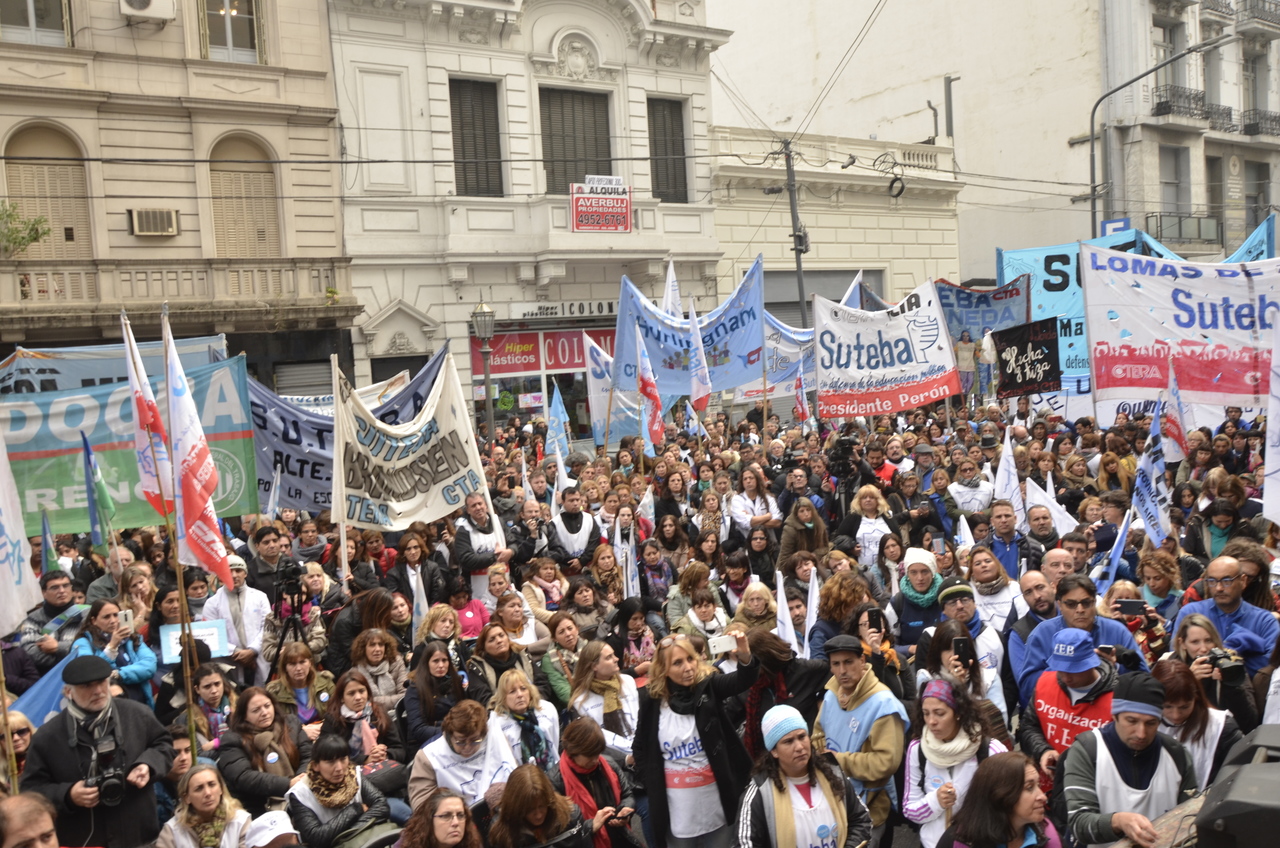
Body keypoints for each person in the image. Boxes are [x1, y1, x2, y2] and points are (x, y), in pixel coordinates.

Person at [22, 655, 175, 848]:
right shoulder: (47, 736)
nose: (97, 691)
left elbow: (164, 745)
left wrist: (148, 765)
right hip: (82, 840)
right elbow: (31, 791)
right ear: (68, 692)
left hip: (139, 836)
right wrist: (68, 795)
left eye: (102, 682)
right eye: (87, 686)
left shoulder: (137, 714)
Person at [633, 631, 758, 848]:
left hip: (716, 803)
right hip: (676, 810)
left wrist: (745, 655)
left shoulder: (709, 686)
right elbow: (640, 748)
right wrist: (652, 783)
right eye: (677, 663)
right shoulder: (651, 700)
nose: (688, 667)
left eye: (690, 659)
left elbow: (743, 680)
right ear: (664, 669)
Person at [1062, 672, 1197, 848]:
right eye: (1132, 721)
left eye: (1151, 723)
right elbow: (1079, 823)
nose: (1141, 733)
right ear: (1114, 715)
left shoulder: (1176, 755)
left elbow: (1190, 820)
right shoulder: (1088, 750)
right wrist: (1117, 821)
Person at [810, 635, 909, 848]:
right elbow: (818, 735)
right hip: (832, 803)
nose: (842, 671)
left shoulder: (883, 704)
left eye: (848, 662)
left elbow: (886, 763)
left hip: (868, 811)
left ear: (862, 661)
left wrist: (838, 760)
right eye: (836, 664)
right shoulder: (831, 694)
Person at [736, 704, 873, 848]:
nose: (799, 747)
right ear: (774, 751)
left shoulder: (833, 774)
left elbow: (861, 820)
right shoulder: (761, 793)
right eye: (788, 741)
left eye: (802, 737)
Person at [903, 680, 1007, 848]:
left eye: (939, 713)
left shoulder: (990, 750)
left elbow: (1008, 807)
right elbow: (910, 810)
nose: (931, 721)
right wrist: (936, 801)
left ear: (958, 713)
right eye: (926, 713)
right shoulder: (918, 749)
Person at [1017, 575, 1147, 707]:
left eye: (1086, 603)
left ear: (1094, 602)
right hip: (1059, 710)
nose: (1080, 610)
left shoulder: (1117, 631)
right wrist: (1065, 670)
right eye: (1071, 604)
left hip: (1107, 711)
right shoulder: (1042, 633)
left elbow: (1144, 679)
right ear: (1059, 605)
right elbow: (1027, 686)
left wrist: (1114, 669)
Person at [1173, 555, 1278, 676]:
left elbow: (1272, 665)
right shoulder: (1190, 613)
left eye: (1227, 581)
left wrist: (1231, 665)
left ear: (1243, 581)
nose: (1219, 588)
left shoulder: (1264, 621)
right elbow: (1176, 659)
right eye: (1212, 581)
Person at [215, 687, 312, 817]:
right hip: (257, 807)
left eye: (267, 706)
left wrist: (300, 781)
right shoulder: (232, 739)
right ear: (244, 715)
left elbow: (308, 756)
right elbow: (244, 776)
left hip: (301, 794)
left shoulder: (290, 723)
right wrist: (288, 784)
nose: (265, 713)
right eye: (256, 710)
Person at [284, 733, 392, 848]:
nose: (339, 768)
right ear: (316, 765)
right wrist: (355, 809)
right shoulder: (300, 794)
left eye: (343, 759)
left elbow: (382, 806)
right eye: (331, 762)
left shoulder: (353, 775)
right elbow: (316, 837)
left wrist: (346, 832)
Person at [1151, 659, 1242, 793]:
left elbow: (1237, 775)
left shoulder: (1221, 726)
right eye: (1167, 707)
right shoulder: (1144, 724)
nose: (1175, 715)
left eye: (1184, 707)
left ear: (1196, 697)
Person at [407, 701, 518, 810]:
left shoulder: (496, 738)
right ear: (450, 735)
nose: (467, 747)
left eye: (474, 741)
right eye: (461, 742)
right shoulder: (429, 757)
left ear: (484, 734)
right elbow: (422, 807)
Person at [936, 752, 1059, 848]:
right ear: (1000, 795)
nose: (1042, 796)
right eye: (1029, 788)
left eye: (1039, 785)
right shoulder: (960, 841)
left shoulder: (1049, 838)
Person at [553, 717, 640, 848]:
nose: (595, 760)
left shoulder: (609, 764)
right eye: (590, 755)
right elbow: (557, 831)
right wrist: (591, 826)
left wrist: (625, 810)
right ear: (573, 751)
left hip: (618, 839)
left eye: (597, 754)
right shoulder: (555, 781)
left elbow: (627, 795)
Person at [1168, 613, 1259, 732]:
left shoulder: (1231, 663)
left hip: (1225, 734)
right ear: (1182, 643)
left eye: (1208, 640)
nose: (1204, 648)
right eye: (1195, 642)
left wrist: (1230, 685)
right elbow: (1170, 716)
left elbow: (1249, 723)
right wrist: (1189, 682)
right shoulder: (1170, 667)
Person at [68, 598, 158, 706]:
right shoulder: (83, 643)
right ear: (93, 620)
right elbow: (90, 672)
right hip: (107, 704)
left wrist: (118, 674)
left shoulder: (132, 638)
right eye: (106, 617)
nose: (113, 620)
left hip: (140, 702)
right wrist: (111, 647)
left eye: (116, 615)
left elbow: (150, 665)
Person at [487, 764, 596, 848]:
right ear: (517, 808)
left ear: (550, 801)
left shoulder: (571, 817)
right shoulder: (503, 834)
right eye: (530, 810)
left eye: (542, 806)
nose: (538, 815)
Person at [202, 556, 272, 686]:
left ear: (245, 573)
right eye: (229, 571)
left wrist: (253, 650)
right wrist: (235, 652)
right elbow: (212, 635)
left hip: (258, 657)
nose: (234, 575)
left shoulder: (260, 597)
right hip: (229, 660)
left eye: (238, 571)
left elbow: (267, 627)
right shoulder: (212, 603)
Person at [568, 641, 639, 760]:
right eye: (608, 657)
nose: (616, 659)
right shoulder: (579, 702)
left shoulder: (628, 682)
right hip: (612, 760)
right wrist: (626, 759)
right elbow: (592, 742)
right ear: (594, 666)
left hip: (641, 749)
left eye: (614, 655)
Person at [157, 764, 253, 848]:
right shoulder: (172, 830)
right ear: (187, 798)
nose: (208, 793)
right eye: (199, 788)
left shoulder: (240, 821)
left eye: (212, 785)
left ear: (221, 789)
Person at [488, 669, 559, 772]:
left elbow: (556, 742)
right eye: (512, 691)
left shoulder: (547, 709)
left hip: (553, 772)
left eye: (523, 688)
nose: (520, 695)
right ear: (503, 697)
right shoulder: (497, 723)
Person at [19, 571, 88, 673]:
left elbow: (92, 646)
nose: (62, 591)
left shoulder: (88, 614)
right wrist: (68, 654)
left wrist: (58, 647)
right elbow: (29, 652)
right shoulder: (34, 618)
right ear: (43, 593)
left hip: (83, 672)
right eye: (54, 587)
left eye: (66, 586)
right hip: (47, 676)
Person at [267, 642, 336, 739]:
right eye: (292, 664)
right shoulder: (274, 691)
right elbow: (274, 724)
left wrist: (323, 727)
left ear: (310, 663)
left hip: (324, 735)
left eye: (302, 662)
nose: (298, 668)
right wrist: (301, 731)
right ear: (285, 667)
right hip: (293, 739)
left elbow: (337, 712)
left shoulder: (325, 682)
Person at [891, 548, 943, 655]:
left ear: (932, 573)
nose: (920, 578)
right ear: (907, 575)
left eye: (925, 571)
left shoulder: (944, 598)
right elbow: (888, 646)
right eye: (913, 572)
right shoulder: (897, 603)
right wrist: (910, 649)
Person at [395, 788, 481, 848]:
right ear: (429, 820)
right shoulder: (408, 843)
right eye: (446, 816)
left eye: (460, 815)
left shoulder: (472, 842)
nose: (456, 822)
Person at [349, 628, 408, 712]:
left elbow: (405, 695)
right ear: (363, 649)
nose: (377, 649)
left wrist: (374, 701)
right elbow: (360, 702)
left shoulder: (396, 663)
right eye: (372, 645)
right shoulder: (356, 672)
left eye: (381, 645)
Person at [0, 712, 33, 795]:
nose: (16, 738)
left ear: (30, 732)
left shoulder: (46, 759)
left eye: (22, 732)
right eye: (7, 735)